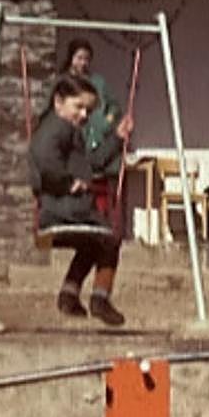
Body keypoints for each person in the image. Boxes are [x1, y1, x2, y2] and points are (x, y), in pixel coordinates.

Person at [30, 73, 133, 326]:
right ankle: (100, 298)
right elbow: (44, 157)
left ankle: (69, 295)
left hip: (63, 209)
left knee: (92, 243)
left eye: (88, 110)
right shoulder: (56, 127)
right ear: (58, 102)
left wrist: (117, 137)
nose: (84, 115)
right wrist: (66, 182)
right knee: (110, 238)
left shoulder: (68, 131)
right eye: (79, 107)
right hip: (63, 209)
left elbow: (92, 163)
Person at [63, 37, 124, 197]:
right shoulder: (64, 82)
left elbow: (115, 107)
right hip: (77, 142)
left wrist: (107, 121)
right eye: (79, 58)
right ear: (71, 58)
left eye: (86, 59)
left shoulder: (98, 82)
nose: (83, 63)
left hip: (98, 140)